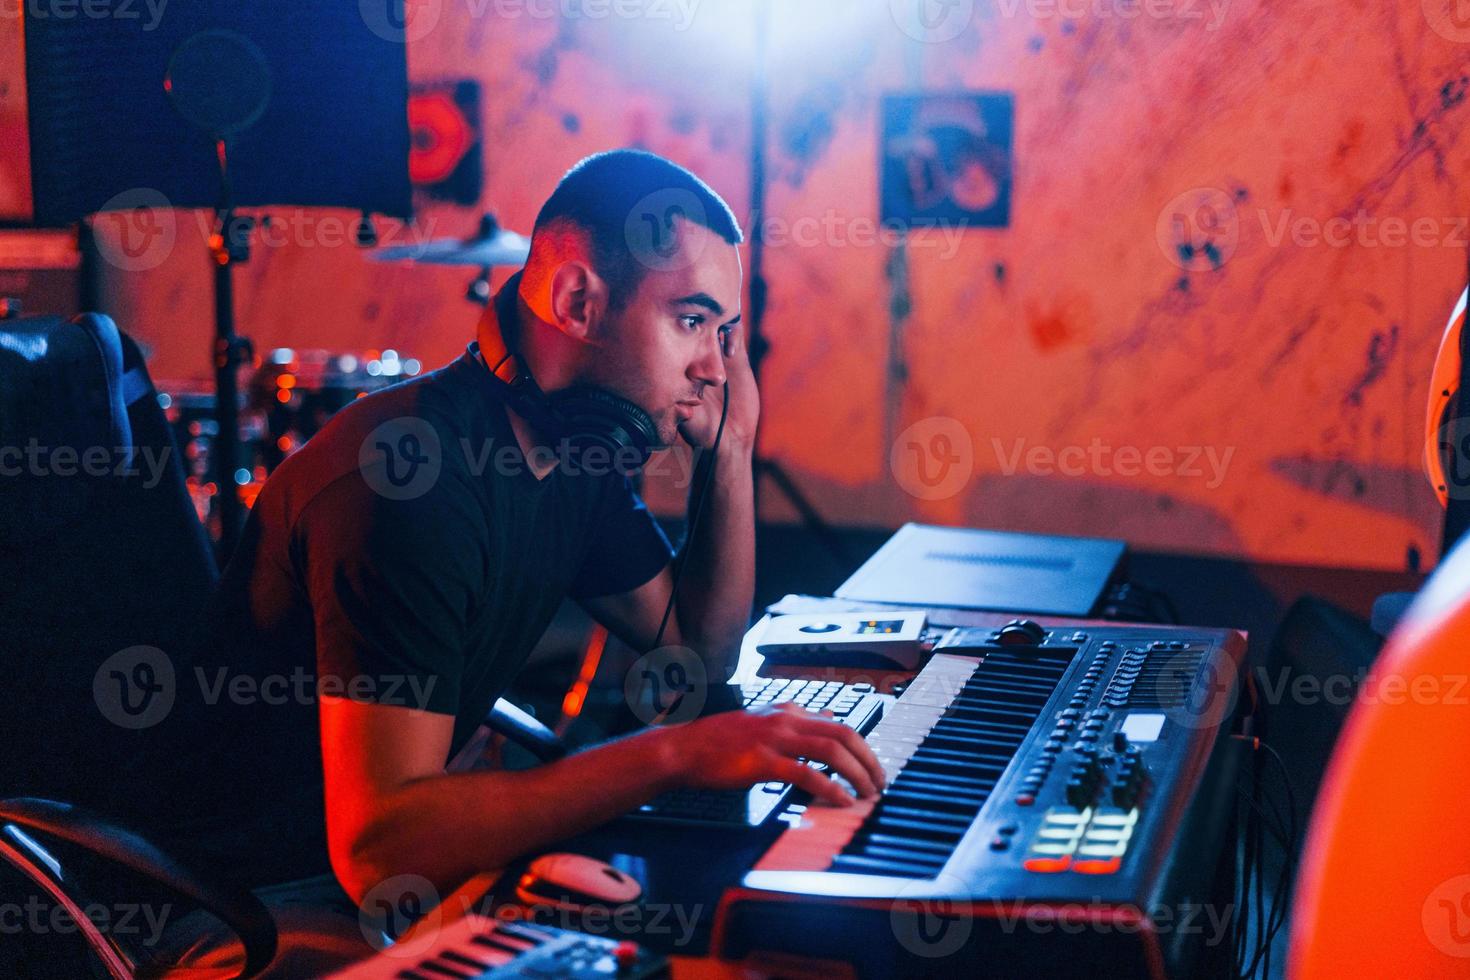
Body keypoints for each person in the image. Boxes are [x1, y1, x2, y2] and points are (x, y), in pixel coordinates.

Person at [171, 150, 886, 918]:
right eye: (691, 322)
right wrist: (672, 755)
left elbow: (696, 651)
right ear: (578, 300)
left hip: (393, 860)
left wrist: (732, 452)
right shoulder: (409, 485)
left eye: (725, 335)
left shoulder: (572, 452)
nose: (715, 368)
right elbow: (377, 853)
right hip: (257, 901)